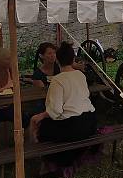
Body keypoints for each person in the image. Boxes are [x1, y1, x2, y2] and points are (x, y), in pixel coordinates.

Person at [29, 41, 97, 169]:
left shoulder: (58, 80)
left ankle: (43, 160)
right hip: (91, 122)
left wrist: (41, 116)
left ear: (58, 60)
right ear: (72, 59)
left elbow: (55, 111)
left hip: (73, 127)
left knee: (39, 126)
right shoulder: (81, 75)